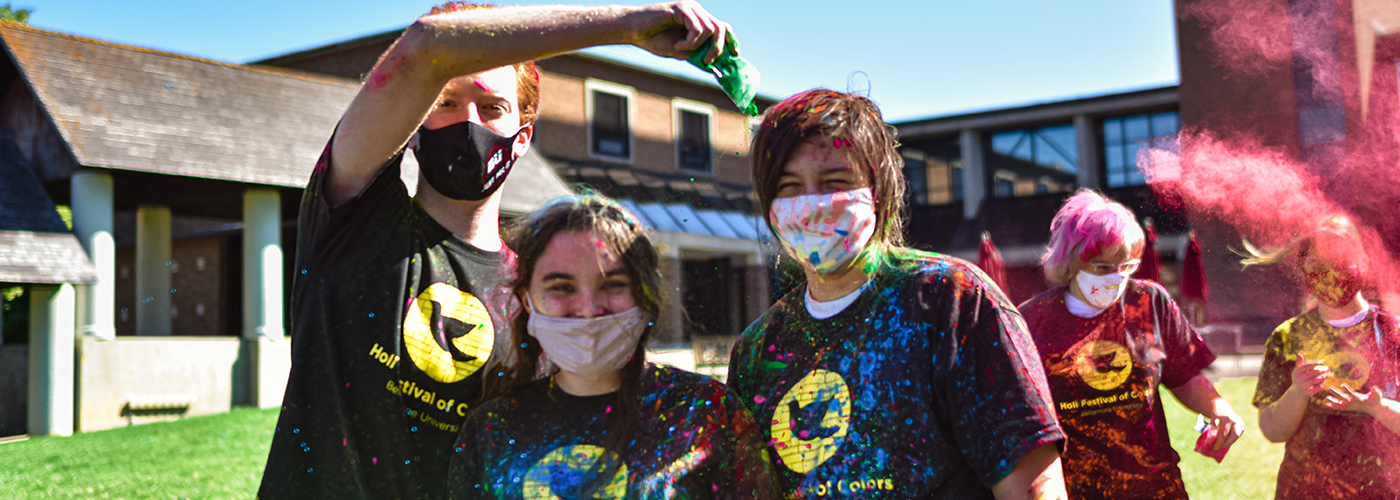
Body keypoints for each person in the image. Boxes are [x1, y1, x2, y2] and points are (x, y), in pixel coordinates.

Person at [258, 2, 737, 498]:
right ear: (414, 123)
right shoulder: (351, 215)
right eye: (445, 102)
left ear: (523, 136)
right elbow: (427, 47)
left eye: (492, 108)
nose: (469, 123)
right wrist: (624, 26)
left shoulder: (543, 297)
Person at [726, 89, 1067, 500]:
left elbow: (1034, 490)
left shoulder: (952, 300)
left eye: (835, 181)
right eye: (790, 186)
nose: (812, 203)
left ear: (878, 188)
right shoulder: (757, 350)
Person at [447, 194, 776, 499]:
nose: (589, 308)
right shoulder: (491, 429)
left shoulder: (708, 411)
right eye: (561, 286)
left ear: (644, 296)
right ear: (527, 301)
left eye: (612, 285)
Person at [1017, 190, 1244, 500]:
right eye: (1103, 267)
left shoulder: (1148, 303)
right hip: (1076, 490)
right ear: (1068, 259)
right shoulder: (1031, 320)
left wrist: (1219, 408)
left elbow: (1183, 374)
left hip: (1155, 486)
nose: (1115, 278)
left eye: (1125, 267)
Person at [1247, 214, 1400, 499]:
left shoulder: (1392, 332)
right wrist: (1297, 392)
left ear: (1362, 261)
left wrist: (1378, 409)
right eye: (1316, 264)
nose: (1329, 273)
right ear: (1304, 271)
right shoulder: (1288, 338)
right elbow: (1272, 430)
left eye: (1339, 258)